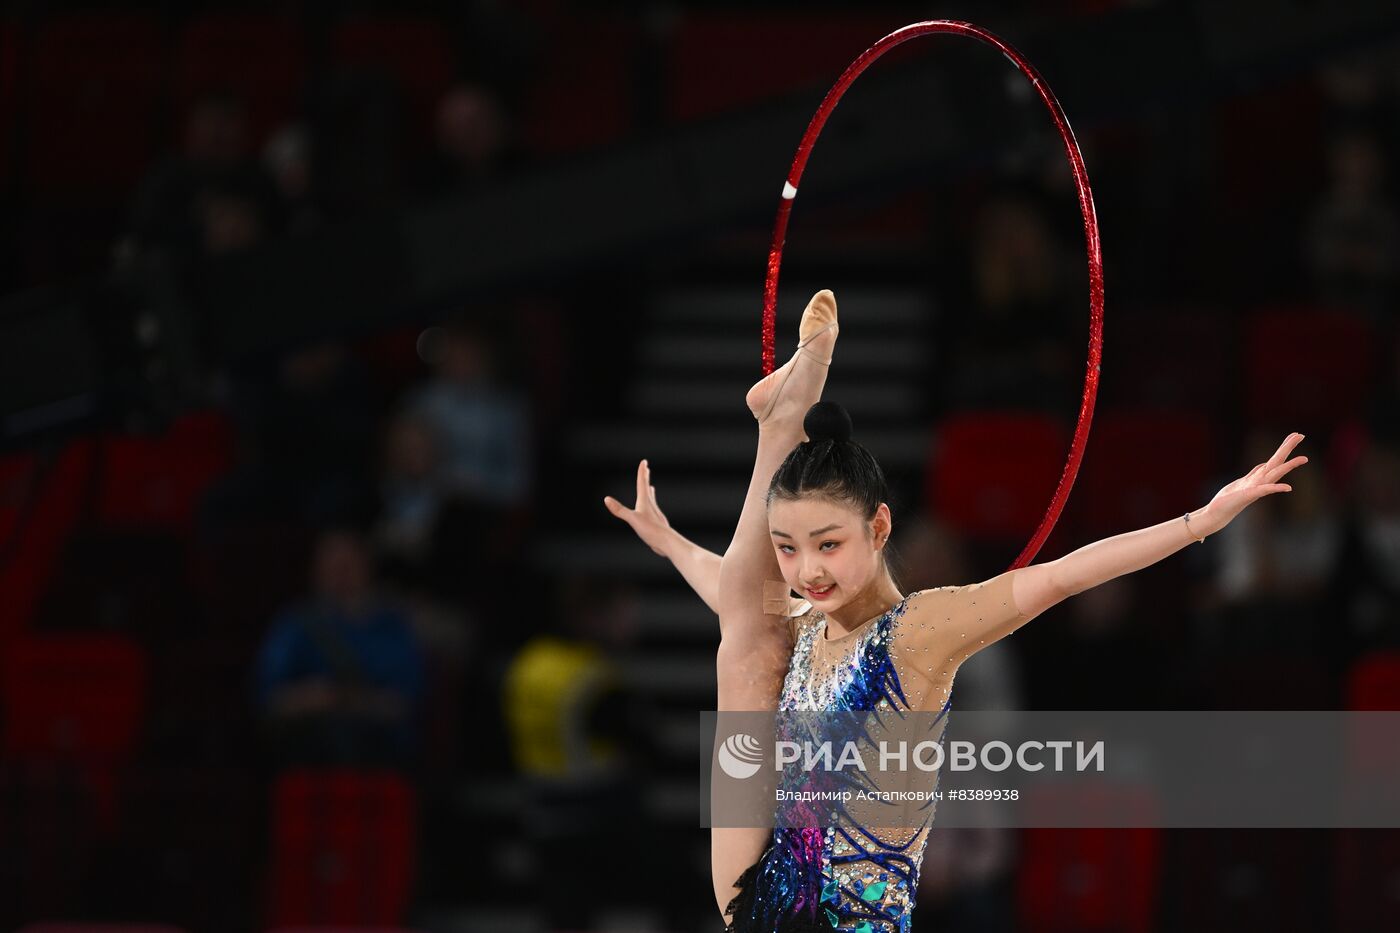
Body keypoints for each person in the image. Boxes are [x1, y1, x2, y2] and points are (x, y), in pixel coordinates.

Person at [605, 289, 1310, 931]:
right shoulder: (802, 625)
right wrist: (673, 546)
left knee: (750, 628)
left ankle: (781, 425)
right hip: (767, 889)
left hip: (846, 916)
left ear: (879, 528)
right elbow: (734, 600)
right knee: (752, 631)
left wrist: (1199, 521)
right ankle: (782, 424)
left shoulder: (920, 630)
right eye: (787, 548)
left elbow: (1060, 577)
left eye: (827, 543)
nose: (808, 570)